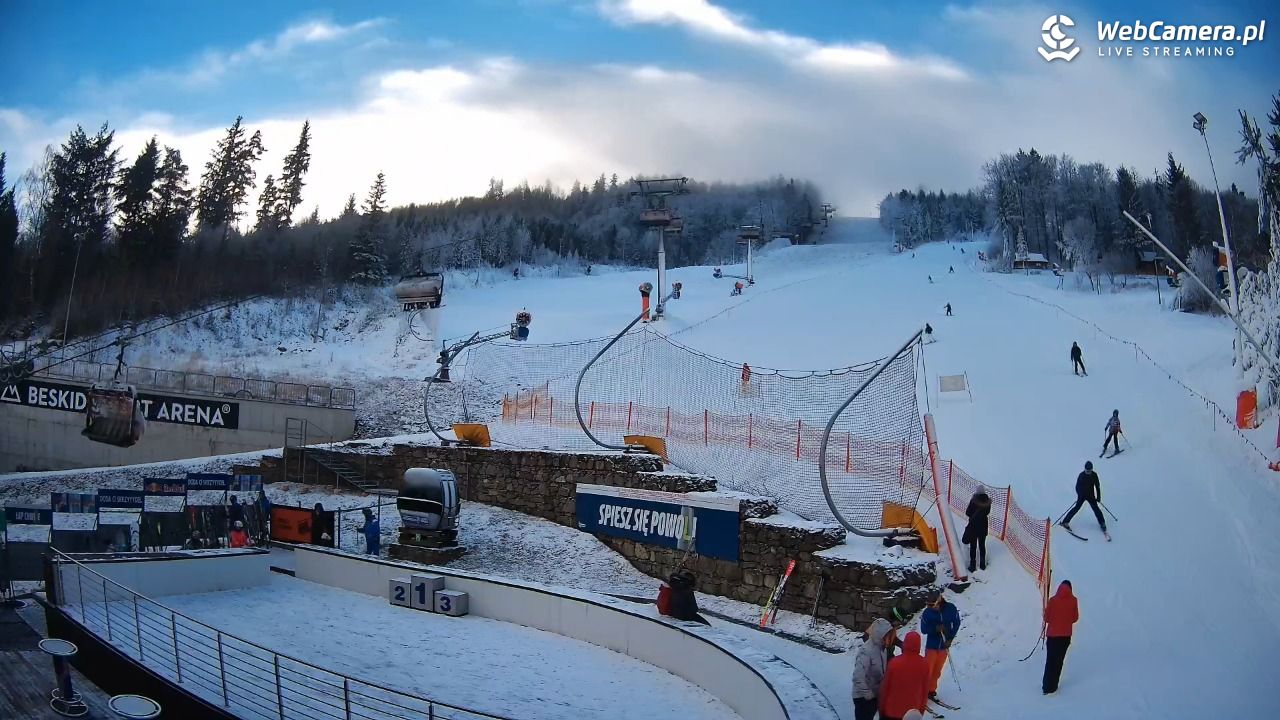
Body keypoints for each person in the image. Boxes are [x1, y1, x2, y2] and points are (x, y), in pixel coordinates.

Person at [879, 630, 929, 720]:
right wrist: (920, 711)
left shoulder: (894, 663)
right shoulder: (924, 665)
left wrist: (881, 707)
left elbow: (885, 688)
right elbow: (924, 691)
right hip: (911, 713)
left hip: (891, 710)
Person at [920, 590, 961, 700]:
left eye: (932, 605)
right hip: (931, 646)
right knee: (927, 670)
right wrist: (935, 628)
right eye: (928, 605)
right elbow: (923, 629)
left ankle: (931, 690)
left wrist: (950, 638)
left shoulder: (951, 608)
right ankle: (922, 691)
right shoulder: (927, 613)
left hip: (944, 646)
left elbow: (957, 623)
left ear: (939, 601)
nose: (929, 607)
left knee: (937, 671)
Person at [853, 618, 896, 720]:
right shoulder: (866, 651)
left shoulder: (882, 649)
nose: (890, 638)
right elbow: (858, 677)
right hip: (863, 697)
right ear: (880, 634)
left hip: (874, 695)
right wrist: (868, 695)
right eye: (888, 635)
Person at [1042, 580, 1079, 694]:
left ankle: (1047, 687)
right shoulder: (1074, 600)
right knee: (1059, 661)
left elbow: (1047, 618)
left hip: (1052, 636)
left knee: (1050, 661)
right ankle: (1054, 686)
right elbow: (1075, 618)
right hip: (1065, 637)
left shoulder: (1053, 600)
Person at [1061, 461, 1106, 534]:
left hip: (1091, 495)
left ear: (1092, 469)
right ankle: (1065, 522)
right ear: (1085, 469)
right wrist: (1080, 494)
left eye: (1089, 471)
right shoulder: (1081, 475)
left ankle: (1102, 523)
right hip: (1082, 495)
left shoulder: (1094, 475)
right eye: (1087, 471)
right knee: (1076, 508)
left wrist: (1098, 497)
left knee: (1096, 509)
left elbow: (1097, 486)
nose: (1088, 472)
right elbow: (1077, 487)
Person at [963, 486, 991, 572]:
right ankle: (982, 565)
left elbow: (968, 513)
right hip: (983, 526)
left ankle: (972, 566)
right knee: (982, 546)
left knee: (973, 547)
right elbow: (987, 512)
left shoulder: (974, 500)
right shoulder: (987, 502)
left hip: (974, 527)